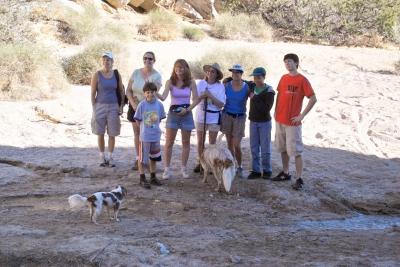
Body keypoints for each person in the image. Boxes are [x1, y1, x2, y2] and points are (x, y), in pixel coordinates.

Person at [272, 53, 317, 190]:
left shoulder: (302, 80)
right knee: (282, 148)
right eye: (285, 62)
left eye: (290, 61)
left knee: (296, 151)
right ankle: (285, 173)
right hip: (280, 119)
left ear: (296, 63)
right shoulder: (283, 78)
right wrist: (275, 111)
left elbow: (313, 98)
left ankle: (299, 178)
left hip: (293, 123)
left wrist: (301, 116)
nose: (287, 64)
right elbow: (279, 94)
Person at [157, 59, 198, 179]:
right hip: (173, 113)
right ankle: (166, 169)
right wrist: (155, 92)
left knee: (186, 142)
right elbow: (163, 97)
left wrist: (188, 109)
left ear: (186, 69)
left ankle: (184, 169)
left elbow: (196, 99)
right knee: (169, 142)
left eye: (181, 67)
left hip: (187, 112)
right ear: (174, 69)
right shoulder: (170, 82)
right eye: (177, 67)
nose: (179, 70)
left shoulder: (191, 82)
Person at [126, 51, 162, 171]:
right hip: (135, 106)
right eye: (145, 58)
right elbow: (128, 90)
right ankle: (139, 158)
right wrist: (133, 103)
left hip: (149, 108)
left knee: (147, 133)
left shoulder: (157, 76)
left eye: (150, 58)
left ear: (154, 60)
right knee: (137, 134)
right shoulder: (136, 72)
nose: (147, 60)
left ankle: (148, 160)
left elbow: (153, 92)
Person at [91, 51, 124, 167]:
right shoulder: (97, 74)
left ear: (112, 62)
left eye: (108, 60)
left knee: (112, 133)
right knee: (100, 133)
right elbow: (92, 93)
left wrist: (121, 106)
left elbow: (121, 90)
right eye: (104, 60)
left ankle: (110, 157)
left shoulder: (116, 74)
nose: (106, 62)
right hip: (100, 106)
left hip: (114, 106)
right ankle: (101, 156)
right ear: (102, 61)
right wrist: (94, 108)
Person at [193, 63, 226, 173]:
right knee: (200, 141)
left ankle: (210, 163)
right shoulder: (201, 84)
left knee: (212, 143)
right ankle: (200, 163)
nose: (210, 73)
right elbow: (196, 98)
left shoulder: (220, 86)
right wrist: (204, 95)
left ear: (217, 74)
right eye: (209, 71)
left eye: (213, 71)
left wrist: (210, 95)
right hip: (201, 115)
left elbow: (221, 104)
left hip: (214, 116)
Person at [133, 82, 166, 189]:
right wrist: (144, 129)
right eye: (147, 92)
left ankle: (153, 177)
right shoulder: (142, 105)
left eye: (152, 92)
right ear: (144, 93)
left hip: (155, 136)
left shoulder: (159, 105)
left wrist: (153, 128)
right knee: (142, 158)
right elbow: (137, 120)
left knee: (154, 157)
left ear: (155, 92)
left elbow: (160, 118)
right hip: (145, 137)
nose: (150, 94)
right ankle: (142, 178)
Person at [220, 64, 249, 178]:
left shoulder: (247, 87)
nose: (235, 74)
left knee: (236, 144)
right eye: (233, 72)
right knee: (229, 143)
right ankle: (232, 166)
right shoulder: (226, 85)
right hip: (227, 115)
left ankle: (240, 166)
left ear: (241, 74)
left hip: (240, 117)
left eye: (238, 72)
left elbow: (254, 96)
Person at [247, 67, 275, 180]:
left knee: (265, 148)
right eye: (255, 77)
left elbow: (266, 108)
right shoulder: (252, 86)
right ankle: (256, 170)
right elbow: (244, 81)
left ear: (264, 77)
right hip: (253, 121)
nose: (256, 79)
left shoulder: (269, 91)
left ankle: (267, 170)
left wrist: (254, 98)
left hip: (264, 122)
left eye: (259, 77)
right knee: (253, 147)